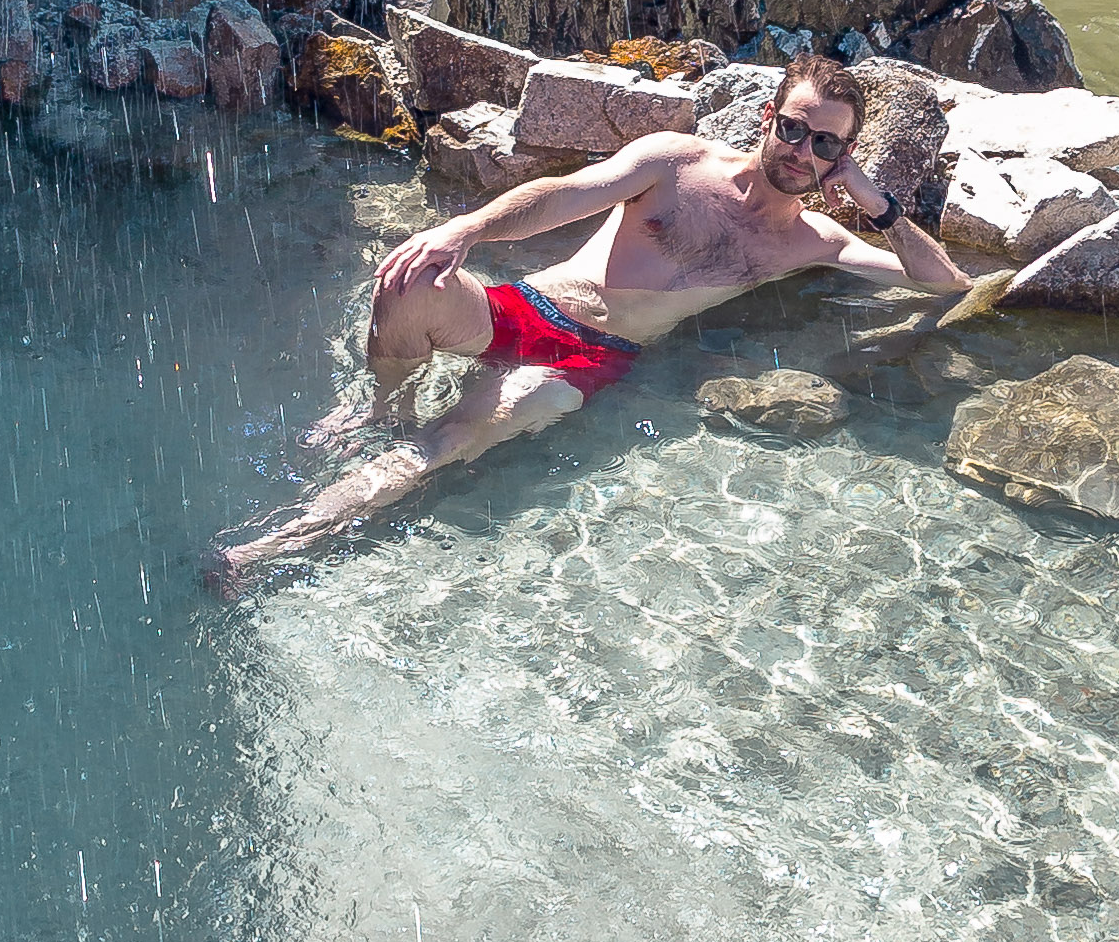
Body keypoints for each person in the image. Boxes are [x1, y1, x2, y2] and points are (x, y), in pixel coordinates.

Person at [205, 51, 970, 586]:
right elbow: (565, 194)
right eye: (794, 128)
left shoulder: (816, 239)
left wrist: (875, 203)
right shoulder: (677, 161)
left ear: (843, 154)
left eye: (826, 143)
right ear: (767, 119)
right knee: (406, 281)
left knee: (448, 443)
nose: (803, 149)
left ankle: (271, 548)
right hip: (528, 307)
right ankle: (377, 402)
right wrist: (463, 230)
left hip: (588, 359)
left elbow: (945, 288)